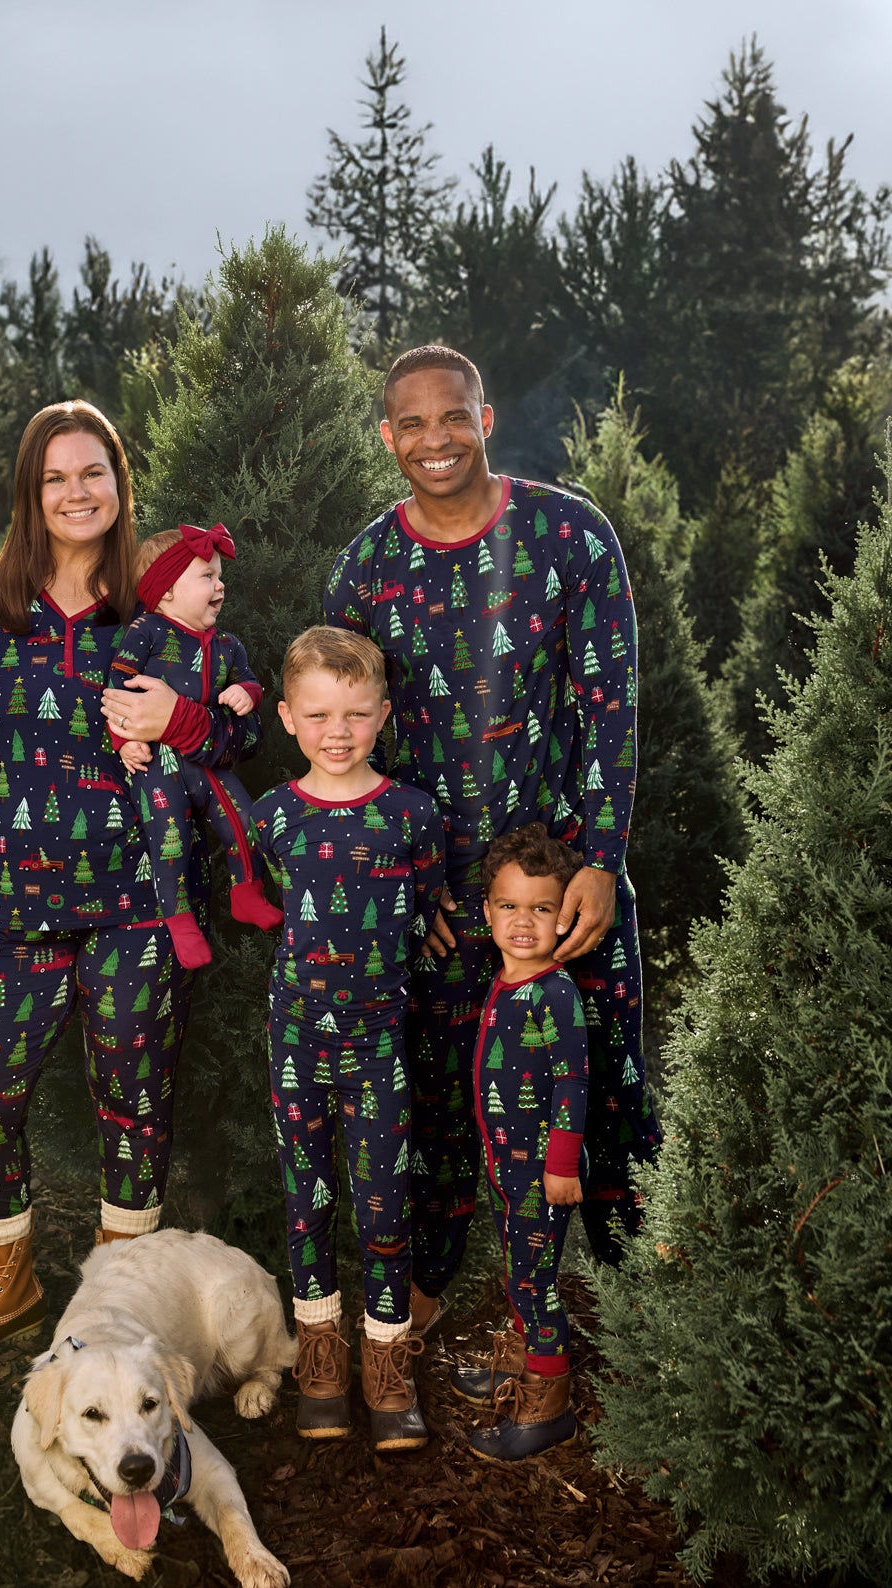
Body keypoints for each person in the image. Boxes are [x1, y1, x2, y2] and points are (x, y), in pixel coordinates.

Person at [0, 401, 259, 1372]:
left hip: (134, 903)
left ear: (119, 483)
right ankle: (4, 1283)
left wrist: (181, 717)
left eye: (92, 473)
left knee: (133, 1095)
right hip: (10, 904)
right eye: (55, 476)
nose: (75, 492)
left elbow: (237, 735)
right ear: (30, 490)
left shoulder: (157, 607)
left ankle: (117, 1290)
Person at [324, 344, 661, 1333]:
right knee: (434, 1101)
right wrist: (404, 890)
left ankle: (622, 1296)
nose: (434, 441)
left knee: (598, 1076)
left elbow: (608, 706)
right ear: (387, 437)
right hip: (438, 901)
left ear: (485, 417)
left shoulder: (569, 534)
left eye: (451, 417)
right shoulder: (365, 570)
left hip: (558, 879)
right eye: (411, 425)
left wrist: (600, 858)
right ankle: (424, 1288)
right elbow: (347, 743)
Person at [249, 626, 445, 1451]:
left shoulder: (410, 815)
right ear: (289, 717)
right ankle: (320, 1362)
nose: (339, 731)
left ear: (383, 715)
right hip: (296, 1038)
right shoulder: (272, 819)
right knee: (307, 1200)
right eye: (321, 713)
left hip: (377, 1047)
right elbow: (262, 905)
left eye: (358, 714)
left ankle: (386, 1364)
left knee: (384, 1206)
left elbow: (427, 904)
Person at [451, 823, 587, 1459]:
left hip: (541, 1171)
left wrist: (561, 1164)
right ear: (488, 911)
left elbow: (572, 1080)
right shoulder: (505, 982)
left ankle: (547, 1401)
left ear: (564, 917)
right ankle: (523, 1355)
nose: (524, 922)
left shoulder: (555, 993)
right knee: (520, 1271)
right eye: (509, 906)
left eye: (542, 908)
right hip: (509, 1166)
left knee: (536, 1281)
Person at [110, 521, 282, 969]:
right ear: (165, 591)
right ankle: (179, 918)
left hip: (208, 761)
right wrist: (123, 741)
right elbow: (117, 688)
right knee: (170, 839)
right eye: (206, 576)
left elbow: (247, 682)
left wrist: (249, 693)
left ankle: (247, 891)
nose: (219, 584)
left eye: (219, 575)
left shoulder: (227, 645)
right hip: (159, 763)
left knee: (245, 819)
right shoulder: (146, 631)